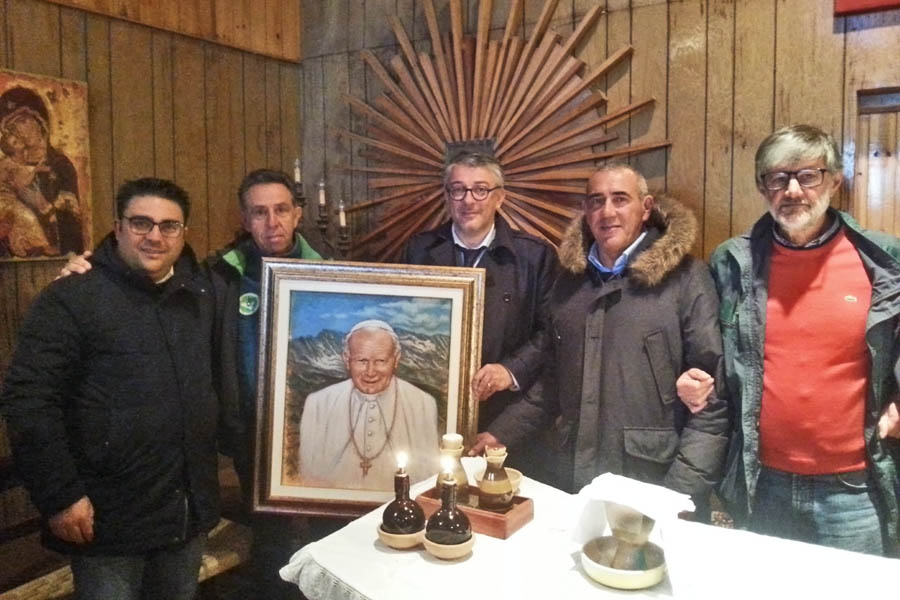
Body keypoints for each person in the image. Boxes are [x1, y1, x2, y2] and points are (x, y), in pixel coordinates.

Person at [61, 168, 324, 599]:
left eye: (280, 210)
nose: (271, 222)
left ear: (297, 214)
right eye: (259, 212)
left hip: (316, 429)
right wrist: (85, 268)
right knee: (272, 541)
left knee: (328, 535)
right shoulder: (217, 275)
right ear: (244, 218)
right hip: (251, 435)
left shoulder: (332, 271)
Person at [0, 178, 222, 599]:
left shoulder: (200, 295)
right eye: (141, 223)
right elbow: (29, 401)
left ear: (184, 234)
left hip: (186, 510)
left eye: (168, 225)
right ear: (118, 227)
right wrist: (61, 497)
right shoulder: (71, 298)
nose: (155, 235)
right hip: (108, 519)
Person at [475, 163, 730, 518]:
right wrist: (501, 433)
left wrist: (678, 496)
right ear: (585, 211)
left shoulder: (686, 279)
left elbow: (712, 402)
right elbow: (552, 381)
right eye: (596, 201)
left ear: (645, 208)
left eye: (620, 199)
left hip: (653, 484)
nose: (607, 212)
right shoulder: (569, 284)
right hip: (572, 481)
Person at [702, 124, 900, 555]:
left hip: (853, 490)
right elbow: (707, 350)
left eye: (808, 176)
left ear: (833, 180)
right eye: (778, 178)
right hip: (762, 483)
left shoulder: (884, 261)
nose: (793, 190)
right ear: (762, 187)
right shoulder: (731, 263)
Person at [402, 151, 558, 475]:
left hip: (507, 421)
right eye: (458, 189)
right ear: (447, 197)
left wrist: (510, 370)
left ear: (499, 197)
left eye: (480, 190)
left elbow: (551, 336)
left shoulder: (535, 257)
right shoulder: (418, 251)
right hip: (431, 420)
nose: (468, 200)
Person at [299, 320, 441, 489]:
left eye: (381, 361)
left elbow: (429, 478)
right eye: (361, 360)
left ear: (396, 360)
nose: (370, 372)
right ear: (347, 359)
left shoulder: (423, 404)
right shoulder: (318, 403)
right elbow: (307, 476)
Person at [0, 86, 83, 257]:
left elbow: (71, 224)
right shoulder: (7, 168)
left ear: (40, 121)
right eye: (13, 127)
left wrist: (42, 206)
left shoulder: (60, 166)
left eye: (23, 121)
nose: (19, 131)